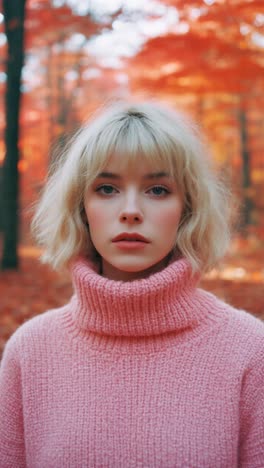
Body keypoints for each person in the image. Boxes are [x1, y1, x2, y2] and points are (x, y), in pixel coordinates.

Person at [0, 100, 263, 468]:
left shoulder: (249, 351)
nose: (131, 210)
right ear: (81, 208)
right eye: (107, 188)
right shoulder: (29, 352)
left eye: (157, 190)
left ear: (188, 210)